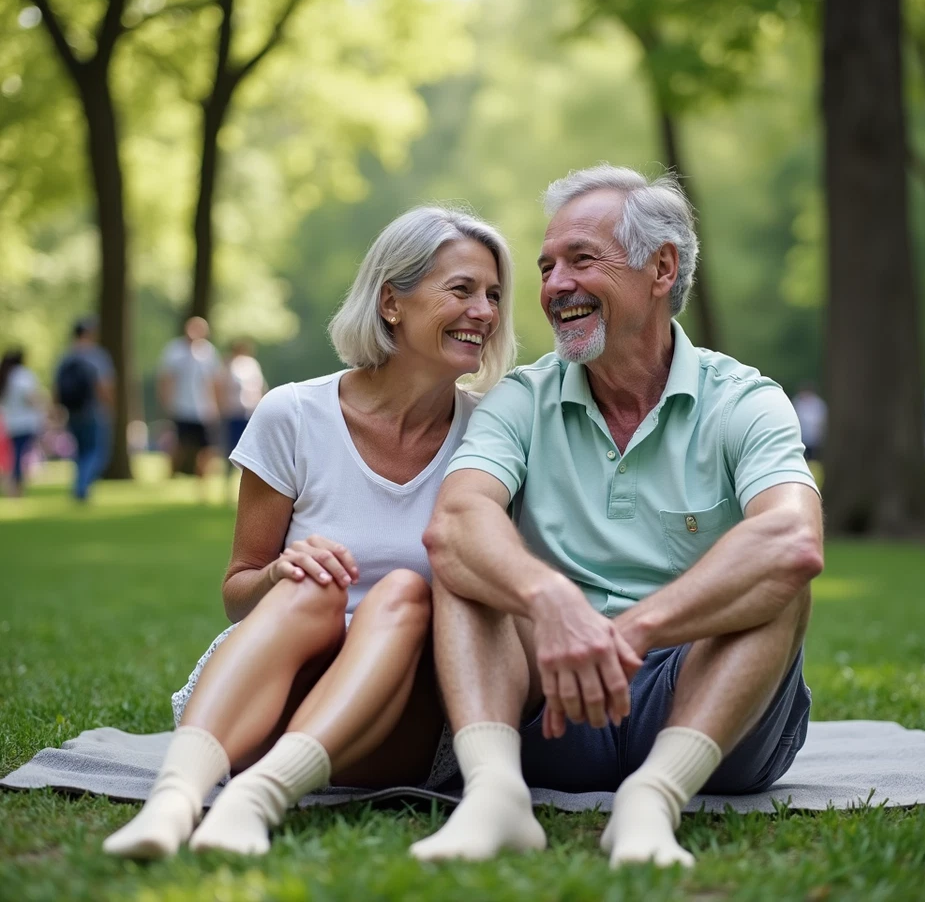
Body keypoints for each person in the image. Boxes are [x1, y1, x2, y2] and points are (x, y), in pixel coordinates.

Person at [410, 165, 823, 869]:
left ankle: (653, 801)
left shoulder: (744, 399)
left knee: (778, 576)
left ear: (662, 268)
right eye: (546, 268)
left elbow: (793, 537)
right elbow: (456, 522)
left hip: (713, 715)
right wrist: (549, 599)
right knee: (465, 563)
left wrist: (631, 633)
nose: (555, 286)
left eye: (581, 259)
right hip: (558, 702)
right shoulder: (521, 399)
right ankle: (495, 795)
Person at [103, 205, 516, 859]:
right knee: (310, 585)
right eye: (462, 289)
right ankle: (173, 801)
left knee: (405, 592)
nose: (485, 312)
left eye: (493, 295)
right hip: (269, 701)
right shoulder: (292, 414)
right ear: (391, 303)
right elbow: (237, 593)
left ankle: (255, 799)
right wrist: (278, 571)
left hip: (403, 723)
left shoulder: (494, 433)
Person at [54, 318, 115, 501]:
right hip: (93, 410)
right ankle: (82, 486)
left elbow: (57, 387)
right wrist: (110, 406)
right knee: (96, 451)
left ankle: (80, 484)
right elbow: (103, 385)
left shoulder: (66, 357)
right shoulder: (97, 356)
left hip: (72, 411)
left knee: (81, 451)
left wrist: (56, 409)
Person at [157, 317, 222, 480]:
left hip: (204, 409)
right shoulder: (174, 350)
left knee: (206, 448)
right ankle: (170, 477)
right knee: (178, 445)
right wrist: (166, 402)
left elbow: (214, 382)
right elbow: (166, 379)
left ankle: (202, 480)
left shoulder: (209, 352)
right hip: (181, 407)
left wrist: (216, 406)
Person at [0, 349, 46, 496]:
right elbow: (31, 397)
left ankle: (13, 486)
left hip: (10, 423)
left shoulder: (5, 375)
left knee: (16, 455)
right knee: (21, 456)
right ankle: (16, 487)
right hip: (26, 422)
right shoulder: (22, 375)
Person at [219, 339, 266, 475]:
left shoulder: (252, 364)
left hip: (250, 410)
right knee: (231, 445)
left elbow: (259, 386)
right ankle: (228, 476)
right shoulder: (228, 365)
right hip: (233, 411)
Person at [791, 383, 827, 463]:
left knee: (814, 459)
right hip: (801, 438)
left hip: (814, 438)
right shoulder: (797, 402)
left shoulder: (818, 403)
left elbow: (821, 420)